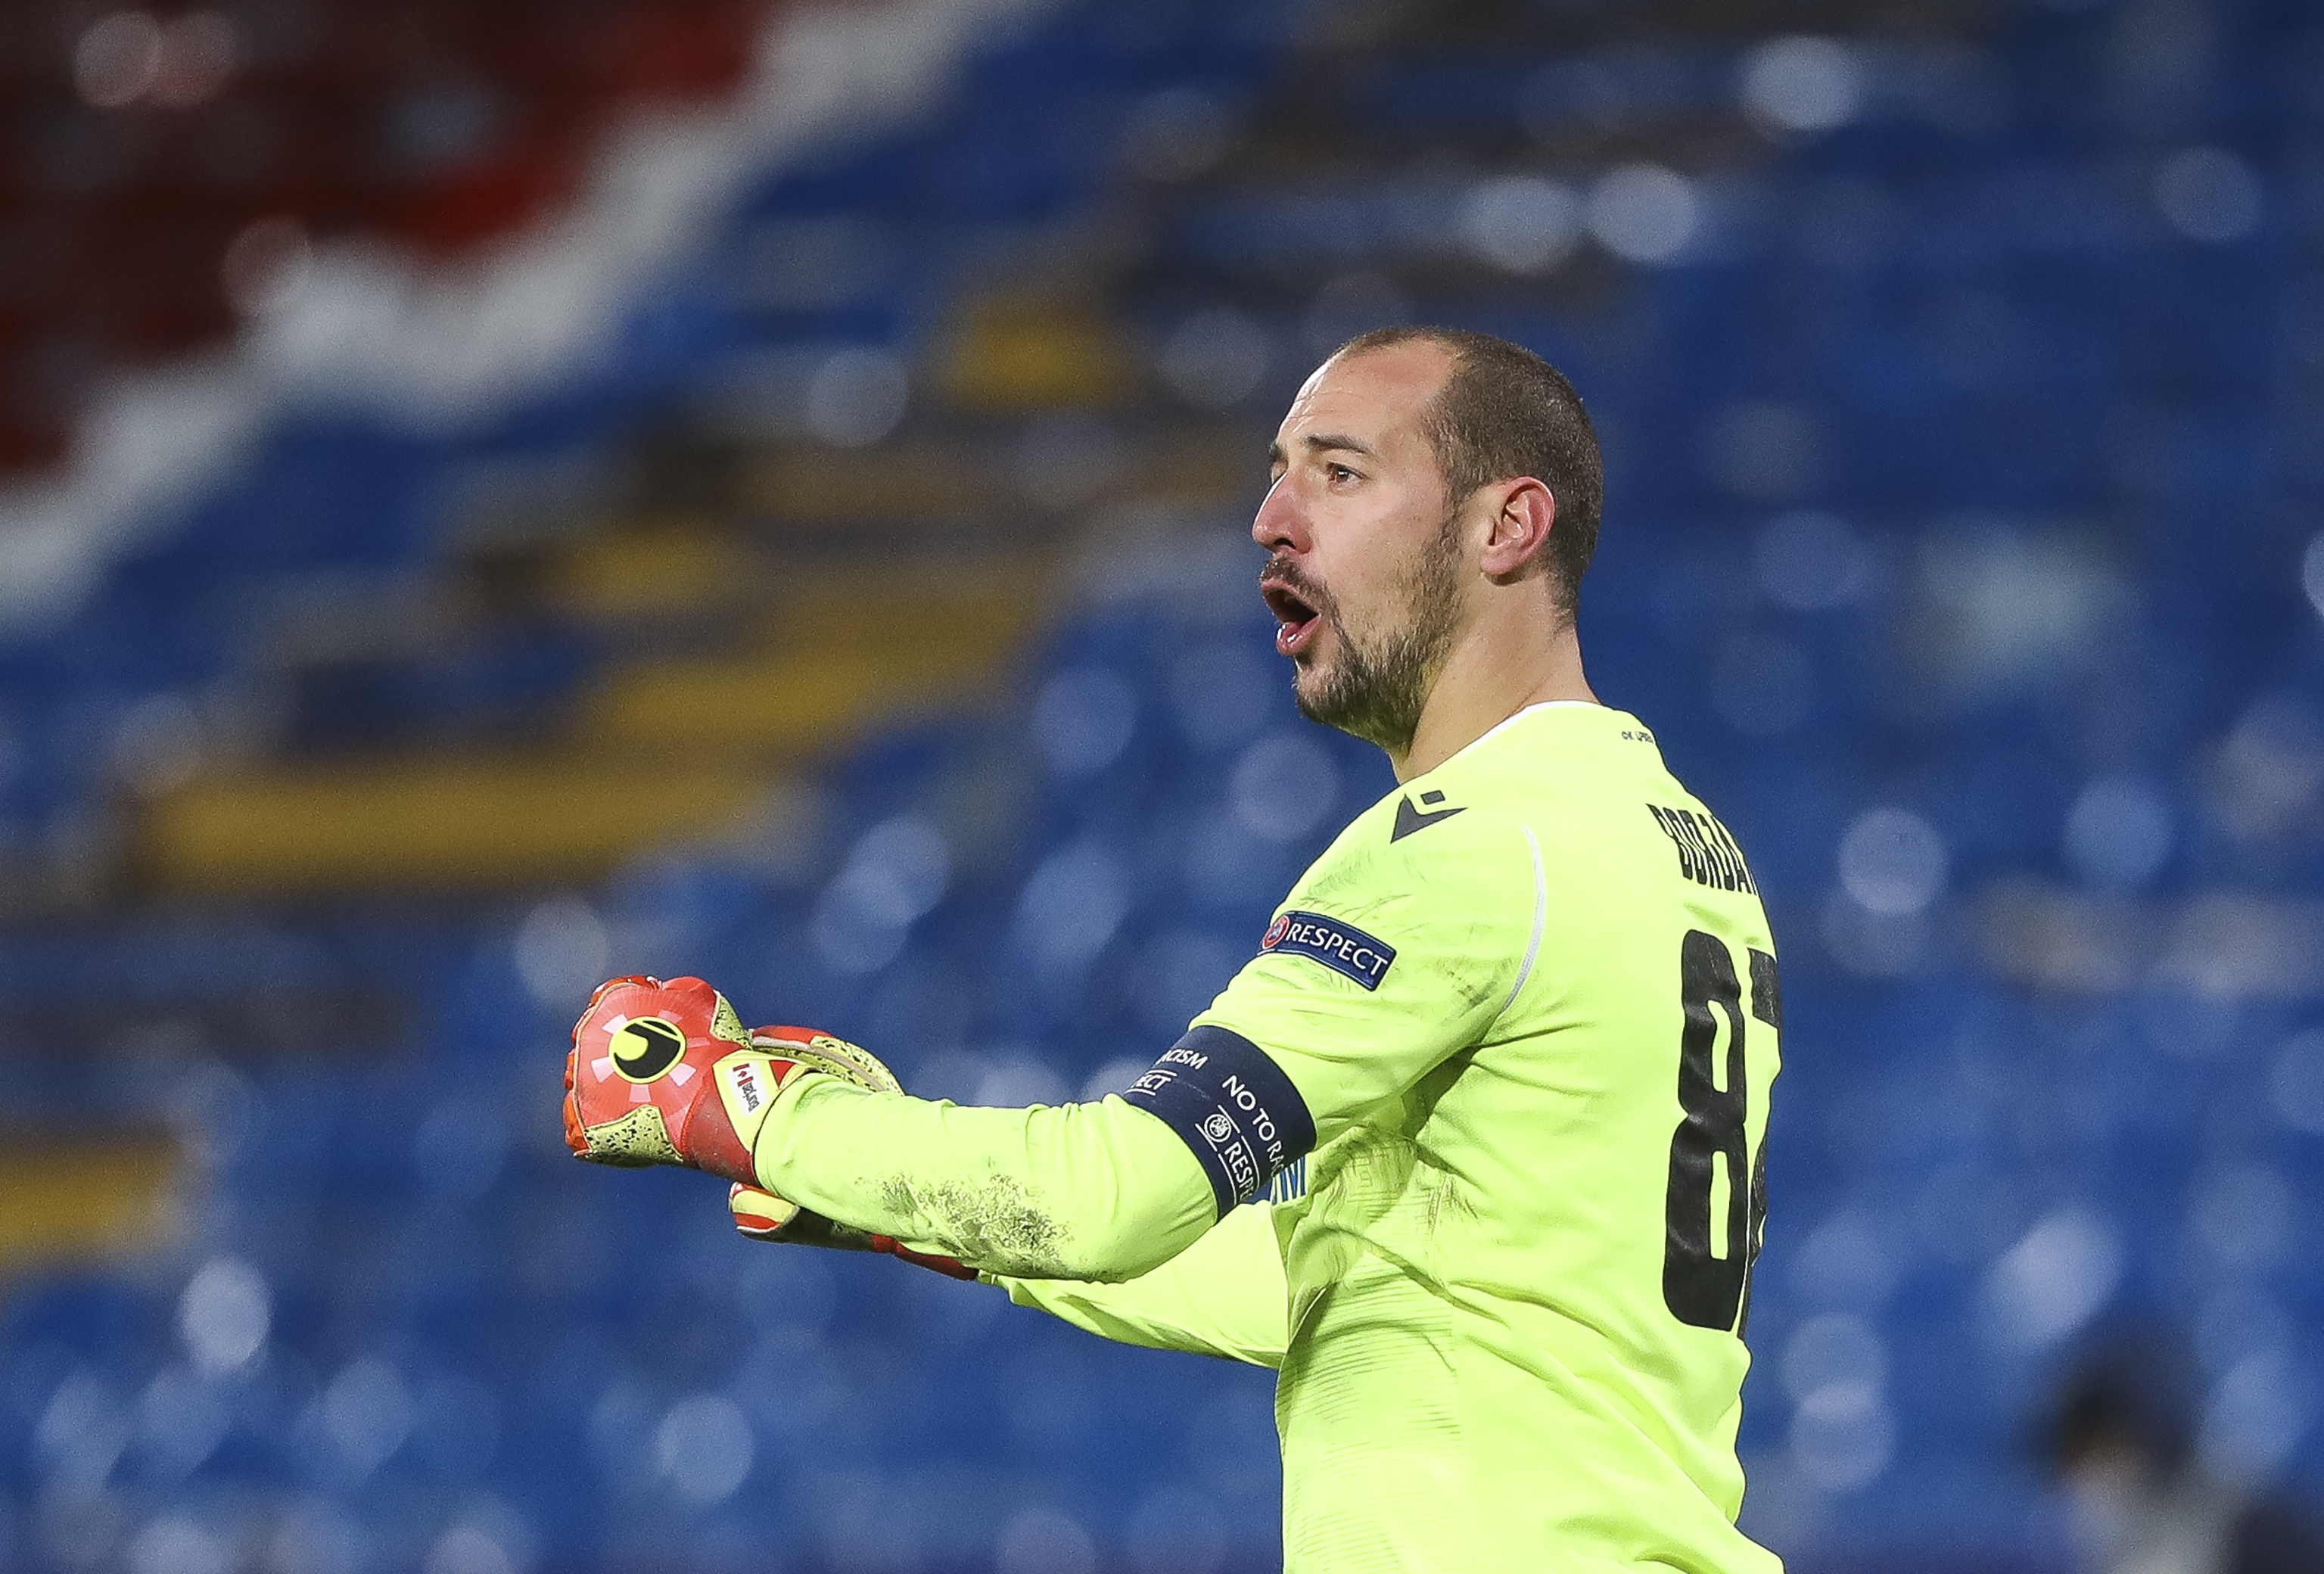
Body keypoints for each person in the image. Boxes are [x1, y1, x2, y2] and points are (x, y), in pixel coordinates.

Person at [562, 326, 1785, 1572]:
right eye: (1276, 470)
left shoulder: (1474, 852)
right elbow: (1324, 1277)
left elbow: (1118, 1193)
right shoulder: (1676, 847)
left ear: (1504, 527)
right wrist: (909, 1210)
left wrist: (746, 1107)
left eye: (1340, 472)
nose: (1270, 516)